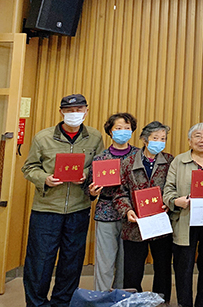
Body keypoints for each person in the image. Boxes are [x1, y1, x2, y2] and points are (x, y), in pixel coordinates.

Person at [21, 94, 105, 307]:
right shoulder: (43, 137)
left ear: (86, 111)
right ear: (61, 112)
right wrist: (45, 178)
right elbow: (29, 167)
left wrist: (86, 174)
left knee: (71, 261)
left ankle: (62, 303)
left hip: (78, 209)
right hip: (46, 209)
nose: (74, 114)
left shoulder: (95, 137)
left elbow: (99, 166)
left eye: (79, 110)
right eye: (69, 110)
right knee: (40, 262)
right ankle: (37, 304)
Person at [164, 123, 203, 307]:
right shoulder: (178, 161)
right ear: (189, 140)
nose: (202, 140)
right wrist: (177, 201)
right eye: (197, 136)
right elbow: (168, 190)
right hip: (185, 220)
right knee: (183, 268)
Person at [114, 121, 174, 304]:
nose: (159, 142)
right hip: (135, 225)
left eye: (163, 139)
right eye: (155, 138)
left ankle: (161, 302)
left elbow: (174, 189)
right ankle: (134, 302)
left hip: (161, 224)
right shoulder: (128, 162)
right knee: (133, 270)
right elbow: (119, 193)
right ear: (144, 139)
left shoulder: (170, 161)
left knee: (163, 268)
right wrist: (127, 210)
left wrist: (168, 203)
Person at [88, 112, 140, 291]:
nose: (123, 131)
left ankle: (121, 296)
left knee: (126, 262)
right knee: (105, 260)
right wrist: (92, 192)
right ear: (110, 131)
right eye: (118, 128)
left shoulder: (139, 156)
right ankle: (101, 297)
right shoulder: (100, 158)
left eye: (127, 128)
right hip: (106, 212)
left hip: (132, 214)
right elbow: (90, 189)